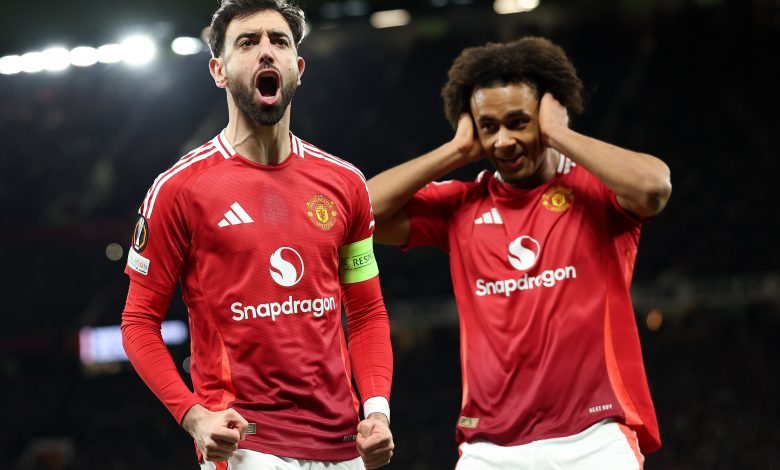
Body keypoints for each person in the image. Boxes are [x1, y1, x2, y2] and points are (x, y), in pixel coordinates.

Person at [367, 36, 671, 469]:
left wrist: (559, 135)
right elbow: (361, 213)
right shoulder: (461, 205)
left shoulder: (596, 191)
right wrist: (455, 151)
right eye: (489, 127)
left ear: (547, 117)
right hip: (490, 448)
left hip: (595, 439)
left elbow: (654, 187)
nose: (504, 141)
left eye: (518, 122)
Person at [120, 1, 394, 468]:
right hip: (247, 445)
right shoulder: (179, 189)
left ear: (298, 68)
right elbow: (138, 323)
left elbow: (366, 312)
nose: (266, 52)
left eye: (279, 41)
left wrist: (378, 412)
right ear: (219, 70)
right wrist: (194, 417)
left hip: (345, 443)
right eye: (248, 42)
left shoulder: (346, 184)